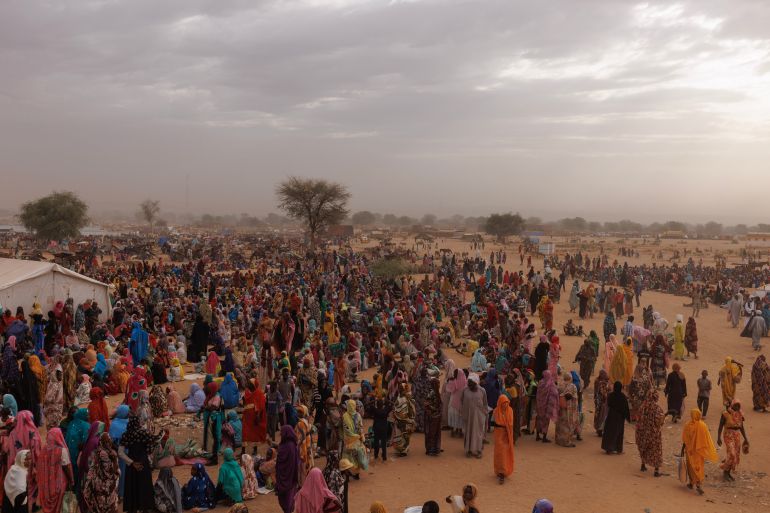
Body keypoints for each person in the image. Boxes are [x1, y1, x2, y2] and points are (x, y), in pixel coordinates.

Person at [119, 414, 159, 513]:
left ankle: (132, 509)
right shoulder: (144, 433)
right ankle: (145, 508)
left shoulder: (126, 435)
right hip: (143, 463)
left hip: (132, 465)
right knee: (144, 486)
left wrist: (132, 463)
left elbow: (120, 453)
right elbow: (150, 449)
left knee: (132, 487)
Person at [35, 428, 73, 513]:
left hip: (46, 484)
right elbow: (66, 467)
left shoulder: (44, 449)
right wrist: (71, 480)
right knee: (59, 506)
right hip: (59, 483)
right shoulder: (62, 451)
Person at [82, 432, 120, 513]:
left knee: (99, 508)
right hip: (105, 487)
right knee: (108, 507)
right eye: (106, 441)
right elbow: (111, 471)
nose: (109, 443)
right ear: (102, 442)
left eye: (109, 440)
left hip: (98, 486)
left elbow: (91, 468)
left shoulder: (96, 452)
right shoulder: (106, 454)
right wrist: (115, 460)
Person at [681, 409, 717, 495]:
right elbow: (706, 438)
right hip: (698, 451)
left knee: (690, 466)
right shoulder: (702, 425)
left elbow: (685, 438)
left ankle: (691, 483)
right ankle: (698, 484)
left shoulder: (687, 425)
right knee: (698, 466)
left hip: (689, 451)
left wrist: (683, 448)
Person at [717, 400, 749, 482]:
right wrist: (718, 437)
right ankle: (725, 471)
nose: (737, 407)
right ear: (732, 405)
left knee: (736, 455)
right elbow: (720, 426)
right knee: (732, 453)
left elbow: (741, 427)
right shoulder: (725, 413)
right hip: (728, 434)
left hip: (737, 435)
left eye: (738, 406)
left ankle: (728, 472)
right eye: (736, 405)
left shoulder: (740, 414)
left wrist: (745, 438)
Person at [635, 390, 664, 476]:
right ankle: (656, 470)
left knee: (644, 447)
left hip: (642, 432)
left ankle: (643, 465)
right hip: (653, 434)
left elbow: (638, 418)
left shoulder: (642, 407)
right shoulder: (657, 408)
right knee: (656, 450)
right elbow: (659, 422)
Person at [461, 374, 487, 458]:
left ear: (476, 382)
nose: (469, 384)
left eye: (471, 383)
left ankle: (478, 451)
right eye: (469, 382)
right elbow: (462, 401)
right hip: (468, 416)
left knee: (478, 433)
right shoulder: (465, 390)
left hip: (478, 417)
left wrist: (484, 414)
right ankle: (468, 450)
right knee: (468, 432)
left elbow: (485, 403)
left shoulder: (482, 391)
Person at [276, 425, 300, 513]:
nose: (281, 434)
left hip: (286, 478)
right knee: (288, 499)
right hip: (289, 478)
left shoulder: (288, 446)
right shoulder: (291, 445)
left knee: (285, 499)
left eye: (282, 433)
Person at [491, 395, 514, 484]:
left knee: (505, 453)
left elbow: (511, 423)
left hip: (507, 435)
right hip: (499, 434)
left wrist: (506, 426)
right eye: (503, 403)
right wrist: (502, 424)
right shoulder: (496, 411)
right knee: (499, 453)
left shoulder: (510, 410)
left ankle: (503, 472)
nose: (505, 405)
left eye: (506, 403)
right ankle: (499, 470)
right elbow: (493, 423)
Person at [601, 381, 630, 454]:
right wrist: (628, 417)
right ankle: (618, 449)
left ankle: (609, 448)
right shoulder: (623, 396)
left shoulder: (611, 395)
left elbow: (609, 404)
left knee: (609, 432)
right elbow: (625, 408)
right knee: (618, 433)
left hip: (611, 415)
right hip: (620, 417)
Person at [555, 372, 578, 448]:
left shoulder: (560, 385)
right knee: (567, 424)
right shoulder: (572, 386)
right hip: (569, 408)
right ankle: (566, 442)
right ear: (570, 378)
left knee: (560, 423)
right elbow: (570, 396)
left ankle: (558, 440)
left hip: (560, 407)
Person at [535, 370, 558, 443]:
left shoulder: (541, 382)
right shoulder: (550, 383)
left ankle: (537, 435)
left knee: (539, 419)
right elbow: (555, 393)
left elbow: (538, 393)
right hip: (547, 406)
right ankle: (544, 437)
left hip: (539, 405)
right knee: (545, 421)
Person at [423, 378, 442, 457]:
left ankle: (435, 448)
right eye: (438, 383)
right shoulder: (431, 393)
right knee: (431, 433)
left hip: (437, 416)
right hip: (432, 416)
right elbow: (426, 404)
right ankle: (430, 449)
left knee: (436, 432)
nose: (439, 385)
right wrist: (432, 411)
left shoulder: (437, 392)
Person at [593, 370, 610, 436]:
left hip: (597, 401)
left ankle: (598, 428)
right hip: (603, 402)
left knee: (598, 414)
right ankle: (600, 430)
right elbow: (604, 394)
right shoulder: (602, 383)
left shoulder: (597, 381)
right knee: (602, 415)